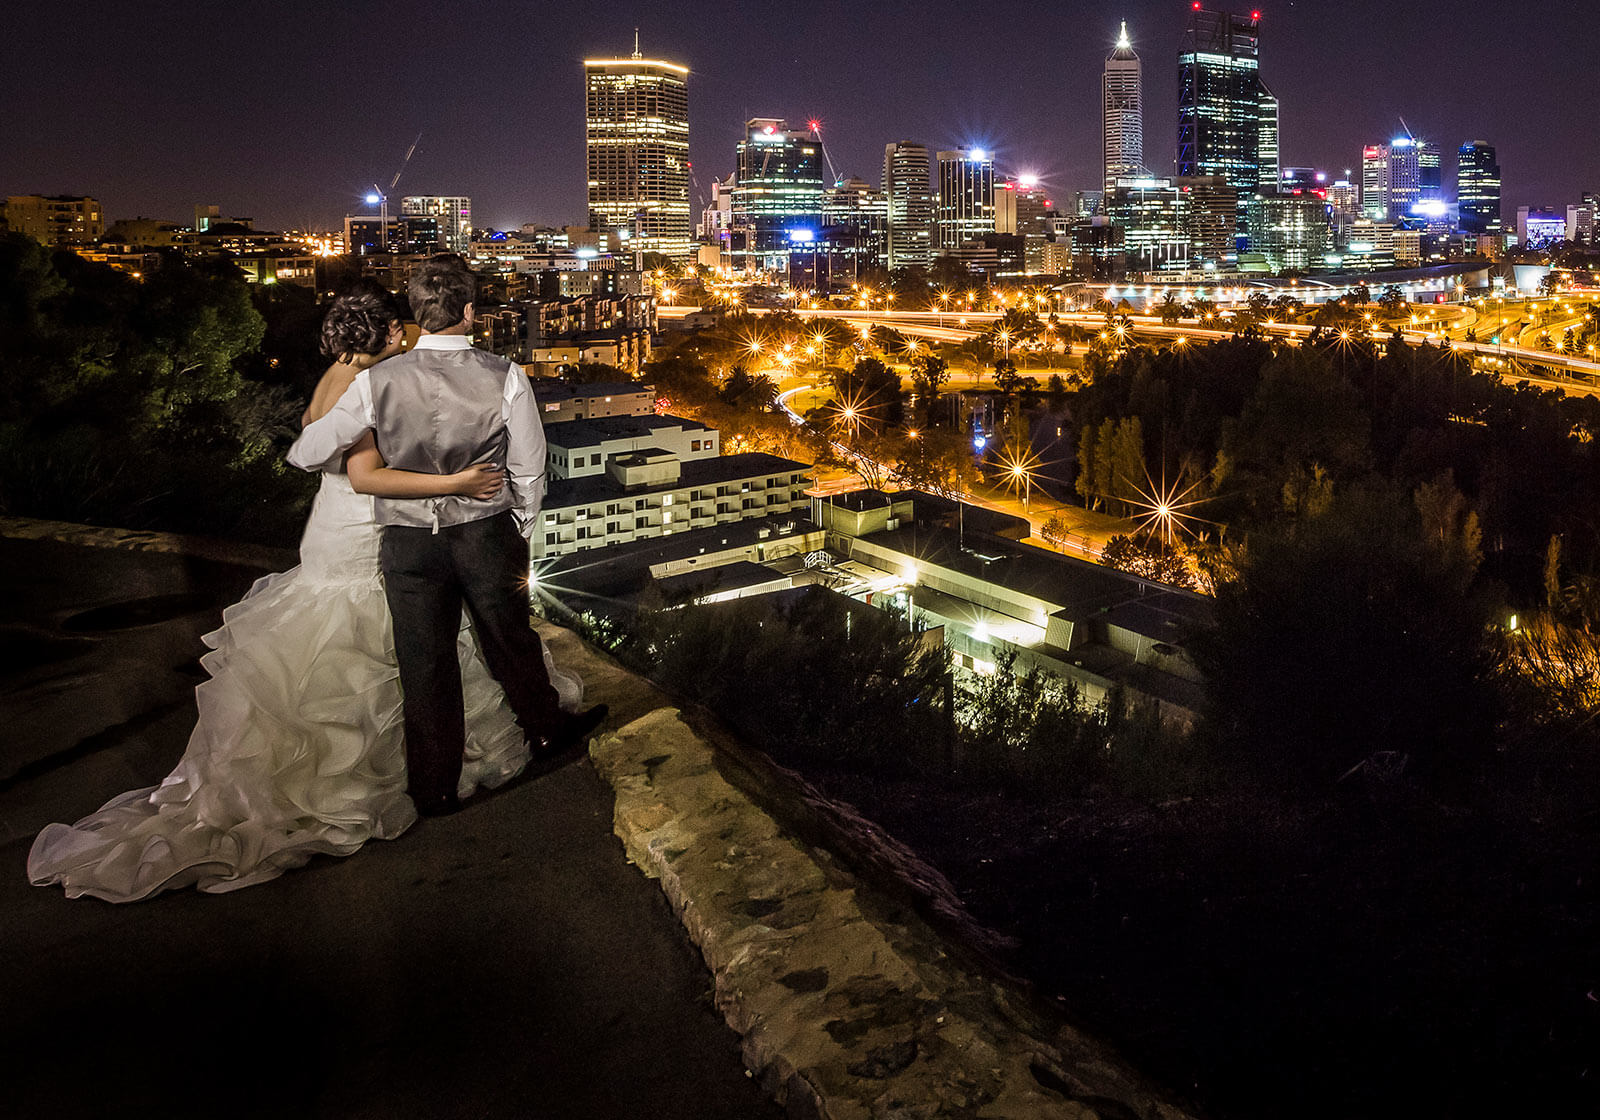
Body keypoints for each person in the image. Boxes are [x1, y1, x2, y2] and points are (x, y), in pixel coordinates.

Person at [28, 282, 578, 902]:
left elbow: (312, 453)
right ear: (393, 333)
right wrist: (463, 484)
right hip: (375, 528)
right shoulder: (390, 383)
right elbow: (366, 473)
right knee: (388, 653)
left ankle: (428, 782)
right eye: (400, 330)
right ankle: (380, 779)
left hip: (349, 531)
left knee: (407, 657)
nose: (408, 337)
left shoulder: (348, 380)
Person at [288, 256, 605, 817]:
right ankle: (547, 731)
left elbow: (306, 452)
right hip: (483, 532)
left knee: (424, 663)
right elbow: (529, 469)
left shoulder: (376, 381)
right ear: (468, 312)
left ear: (416, 314)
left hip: (409, 543)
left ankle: (433, 787)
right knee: (510, 639)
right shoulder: (504, 374)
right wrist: (522, 522)